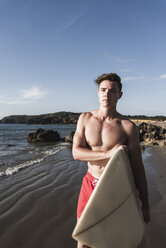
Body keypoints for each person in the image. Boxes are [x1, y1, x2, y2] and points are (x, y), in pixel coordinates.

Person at [72, 72, 150, 248]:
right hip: (89, 184)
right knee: (83, 239)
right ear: (98, 93)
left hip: (115, 186)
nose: (107, 94)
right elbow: (76, 153)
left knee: (112, 239)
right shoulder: (85, 118)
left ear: (120, 95)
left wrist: (145, 204)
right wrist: (108, 154)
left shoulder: (128, 127)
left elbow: (138, 167)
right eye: (103, 90)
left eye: (112, 91)